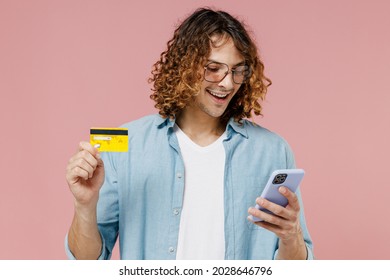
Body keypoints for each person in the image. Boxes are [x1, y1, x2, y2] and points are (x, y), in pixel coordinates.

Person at [65, 7, 313, 260]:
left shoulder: (272, 150)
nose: (227, 83)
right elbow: (86, 263)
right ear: (184, 67)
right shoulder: (124, 143)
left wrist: (291, 234)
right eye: (214, 68)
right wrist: (84, 206)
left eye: (237, 70)